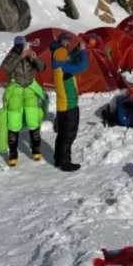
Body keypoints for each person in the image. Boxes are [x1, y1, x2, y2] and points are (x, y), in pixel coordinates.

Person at [0, 35, 47, 166]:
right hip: (16, 89)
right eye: (18, 46)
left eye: (22, 45)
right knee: (13, 120)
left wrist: (35, 59)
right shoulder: (12, 55)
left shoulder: (31, 54)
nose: (20, 48)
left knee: (33, 117)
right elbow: (6, 68)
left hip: (30, 88)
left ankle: (36, 147)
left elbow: (42, 68)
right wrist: (20, 56)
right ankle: (13, 152)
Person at [51, 34, 88, 172]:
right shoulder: (64, 67)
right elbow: (83, 66)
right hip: (70, 106)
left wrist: (76, 50)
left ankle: (58, 159)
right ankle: (65, 163)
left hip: (62, 106)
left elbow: (69, 58)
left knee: (61, 134)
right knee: (68, 135)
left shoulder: (57, 62)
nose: (67, 45)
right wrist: (83, 52)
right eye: (65, 43)